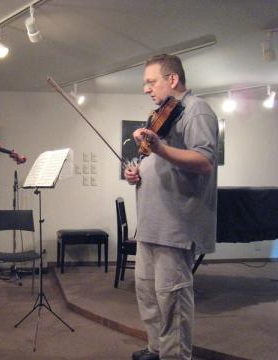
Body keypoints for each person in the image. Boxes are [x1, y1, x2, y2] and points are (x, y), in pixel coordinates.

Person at [124, 54, 218, 360]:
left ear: (172, 79)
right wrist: (136, 171)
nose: (146, 89)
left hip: (175, 226)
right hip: (150, 225)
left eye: (151, 81)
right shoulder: (162, 117)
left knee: (172, 301)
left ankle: (175, 357)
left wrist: (160, 148)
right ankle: (156, 350)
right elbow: (158, 162)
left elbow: (204, 161)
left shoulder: (196, 110)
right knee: (148, 296)